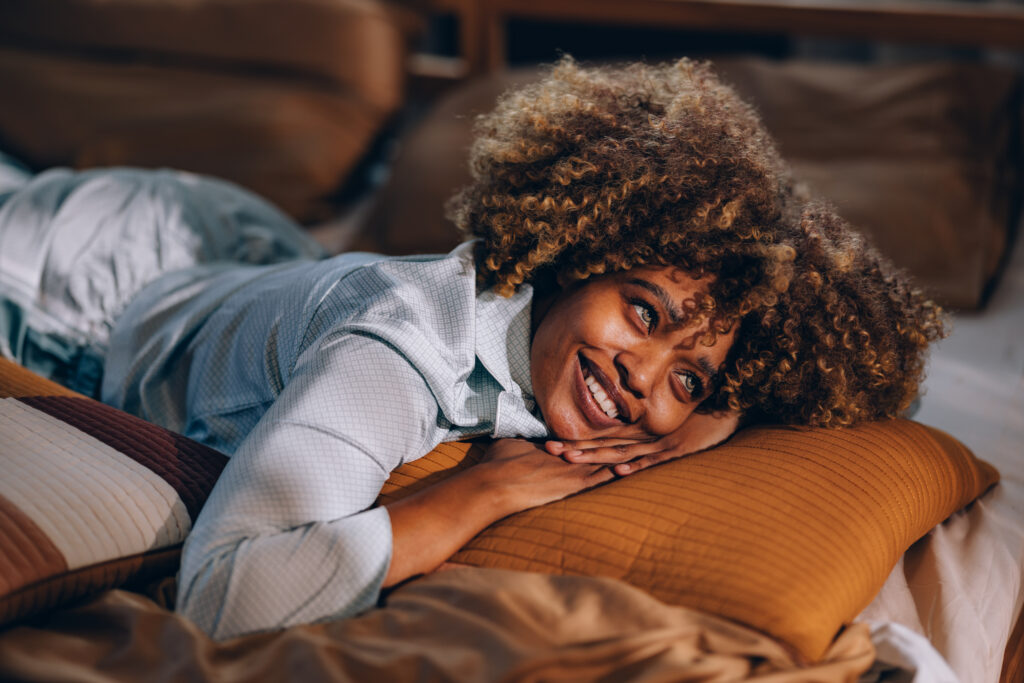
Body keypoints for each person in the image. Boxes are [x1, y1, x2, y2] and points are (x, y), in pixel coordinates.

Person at [0, 57, 944, 640]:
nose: (644, 378)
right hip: (85, 279)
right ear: (577, 255)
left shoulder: (654, 390)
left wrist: (707, 417)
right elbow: (222, 598)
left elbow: (715, 392)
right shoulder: (398, 352)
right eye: (645, 313)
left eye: (689, 374)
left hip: (258, 260)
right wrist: (479, 490)